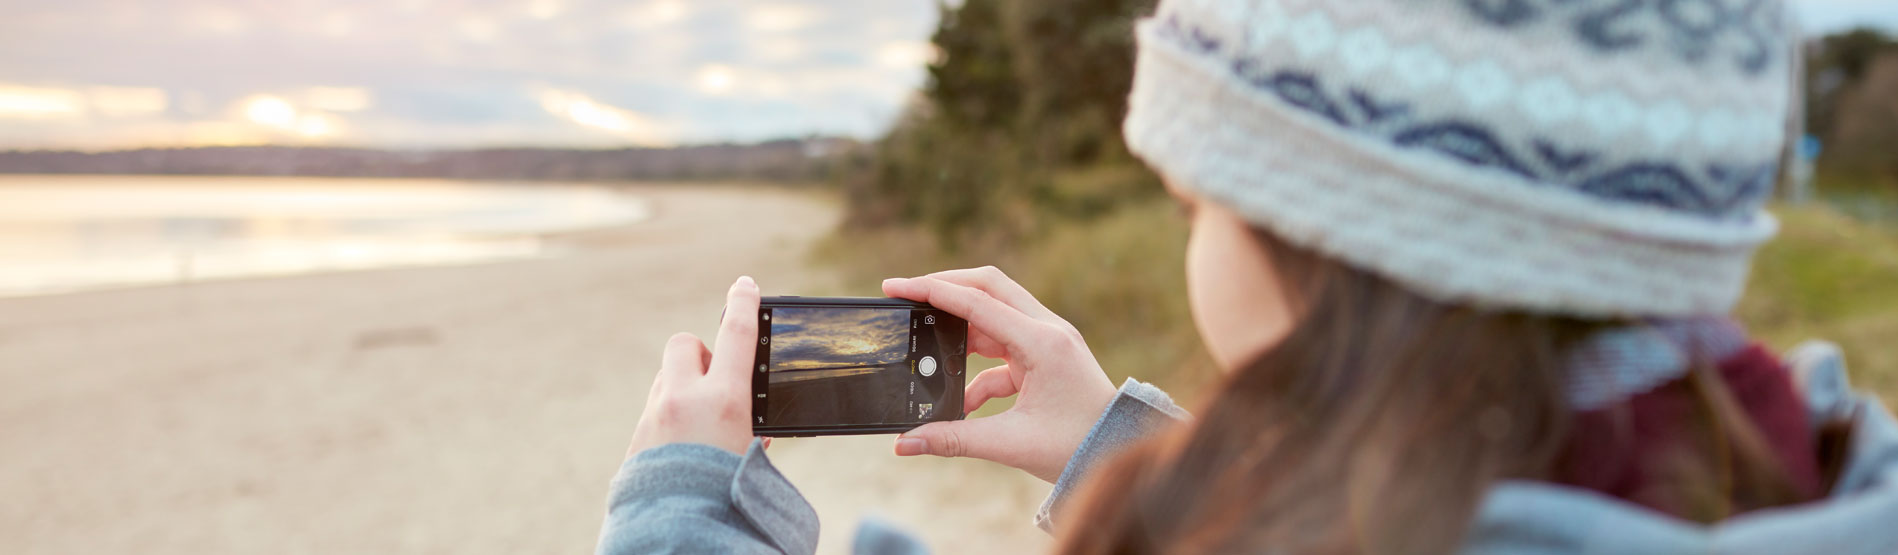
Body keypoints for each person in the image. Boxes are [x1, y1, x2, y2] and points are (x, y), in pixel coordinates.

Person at [596, 0, 1898, 553]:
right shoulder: (1795, 481)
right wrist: (1116, 449)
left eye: (1198, 202)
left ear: (1335, 248)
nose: (1189, 234)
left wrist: (681, 511)